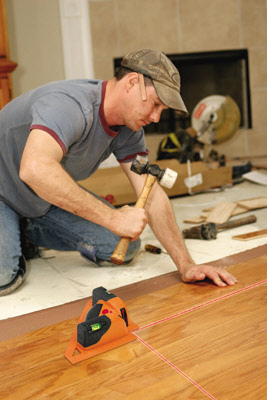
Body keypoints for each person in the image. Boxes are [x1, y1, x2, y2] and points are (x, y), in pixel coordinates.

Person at [0, 49, 237, 296]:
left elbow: (152, 195)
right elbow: (35, 169)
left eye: (162, 110)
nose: (156, 118)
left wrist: (186, 265)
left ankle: (23, 233)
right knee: (4, 277)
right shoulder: (70, 105)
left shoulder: (129, 129)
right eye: (155, 104)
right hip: (4, 191)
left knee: (125, 246)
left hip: (40, 197)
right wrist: (113, 219)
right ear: (133, 82)